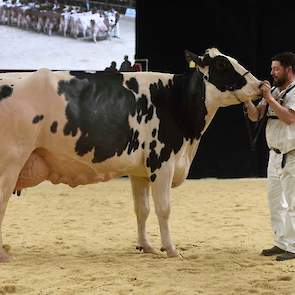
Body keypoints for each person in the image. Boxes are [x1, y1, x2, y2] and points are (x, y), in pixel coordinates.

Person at [244, 52, 295, 261]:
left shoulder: (293, 91)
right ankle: (281, 242)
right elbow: (256, 116)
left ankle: (293, 247)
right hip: (274, 155)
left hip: (291, 155)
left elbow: (289, 117)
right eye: (272, 68)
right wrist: (247, 101)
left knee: (293, 203)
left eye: (276, 68)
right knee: (275, 202)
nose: (272, 72)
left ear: (288, 69)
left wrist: (270, 98)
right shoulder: (273, 90)